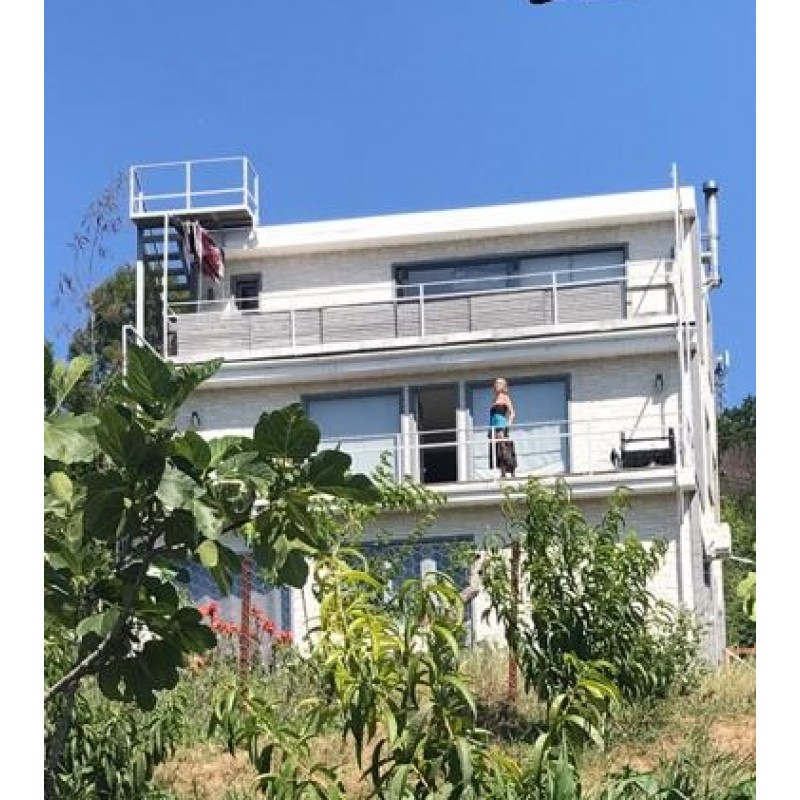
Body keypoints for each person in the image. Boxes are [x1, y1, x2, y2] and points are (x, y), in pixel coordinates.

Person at [489, 377, 517, 478]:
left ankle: (511, 470)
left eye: (499, 383)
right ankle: (502, 472)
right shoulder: (494, 399)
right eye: (496, 383)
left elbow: (512, 413)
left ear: (504, 385)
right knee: (497, 449)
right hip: (493, 426)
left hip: (501, 426)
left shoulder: (505, 397)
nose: (497, 385)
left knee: (504, 448)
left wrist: (507, 425)